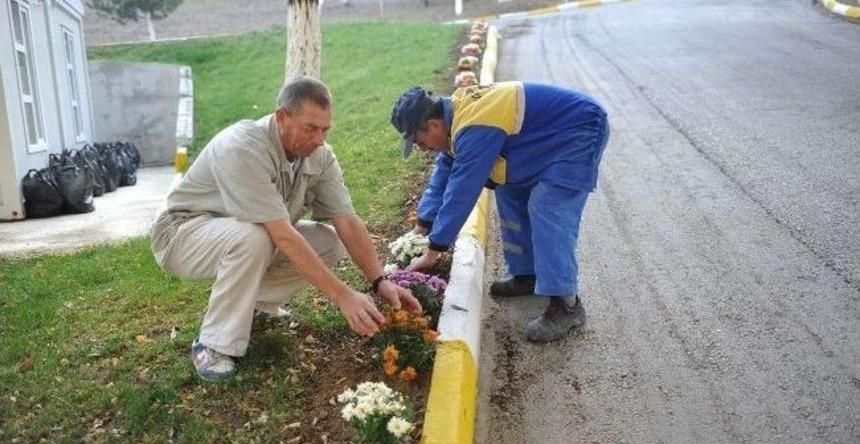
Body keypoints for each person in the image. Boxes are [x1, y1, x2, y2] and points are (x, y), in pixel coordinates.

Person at [152, 76, 421, 381]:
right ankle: (213, 344)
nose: (319, 139)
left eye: (325, 129)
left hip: (241, 232)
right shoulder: (243, 147)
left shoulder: (318, 155)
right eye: (310, 128)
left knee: (328, 242)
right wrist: (342, 295)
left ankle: (254, 306)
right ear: (282, 117)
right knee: (252, 238)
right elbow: (282, 234)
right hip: (181, 234)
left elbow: (346, 218)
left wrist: (378, 281)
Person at [390, 81, 608, 343]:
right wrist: (422, 225)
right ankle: (527, 274)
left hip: (580, 128)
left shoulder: (474, 124)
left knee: (548, 207)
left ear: (434, 125)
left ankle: (567, 304)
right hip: (547, 138)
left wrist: (434, 250)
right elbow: (444, 173)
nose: (422, 148)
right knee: (509, 191)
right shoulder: (456, 118)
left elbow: (462, 189)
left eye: (418, 141)